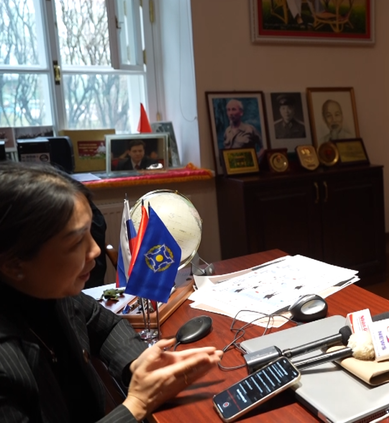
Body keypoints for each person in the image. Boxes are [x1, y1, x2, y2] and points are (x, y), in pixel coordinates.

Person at [0, 162, 222, 421]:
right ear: (13, 264)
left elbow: (104, 326)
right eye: (75, 241)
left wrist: (137, 364)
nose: (95, 250)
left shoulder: (50, 291)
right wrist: (137, 404)